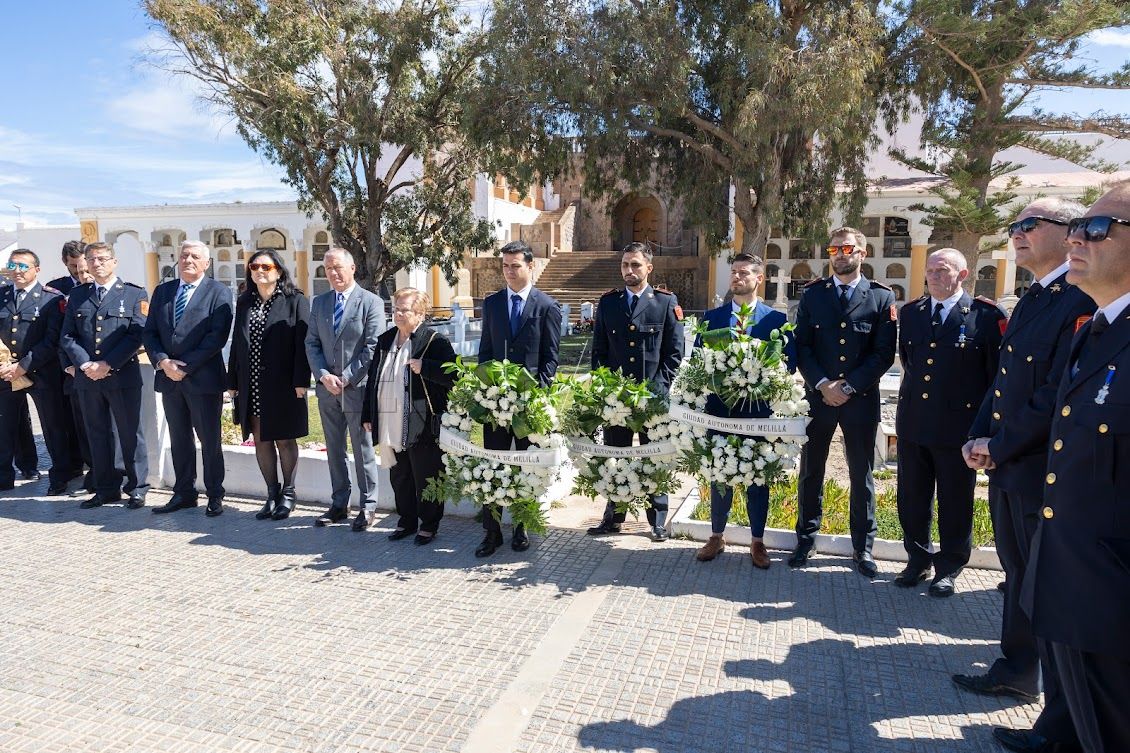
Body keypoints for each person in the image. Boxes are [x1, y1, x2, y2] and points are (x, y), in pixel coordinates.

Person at [953, 199, 1090, 753]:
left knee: (1047, 592)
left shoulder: (1078, 299)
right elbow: (1006, 381)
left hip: (1041, 471)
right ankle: (1015, 669)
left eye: (1029, 225)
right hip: (1011, 466)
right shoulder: (1038, 296)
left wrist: (1000, 443)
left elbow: (1056, 391)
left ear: (1067, 232)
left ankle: (1060, 722)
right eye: (1013, 226)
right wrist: (981, 433)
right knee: (1017, 572)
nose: (1018, 234)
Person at [1019, 183, 1130, 753]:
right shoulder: (1100, 330)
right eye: (1078, 225)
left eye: (1098, 228)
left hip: (1112, 592)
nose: (1077, 238)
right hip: (1078, 582)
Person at [893, 249, 1006, 597]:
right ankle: (917, 559)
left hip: (959, 428)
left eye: (943, 271)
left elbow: (995, 378)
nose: (934, 277)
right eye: (930, 271)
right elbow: (911, 363)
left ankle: (950, 566)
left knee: (956, 500)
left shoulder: (985, 316)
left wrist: (985, 430)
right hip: (914, 423)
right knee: (912, 497)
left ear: (962, 274)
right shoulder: (911, 313)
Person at [792, 226, 897, 577]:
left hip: (860, 400)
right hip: (819, 398)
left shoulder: (881, 298)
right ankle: (805, 540)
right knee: (811, 470)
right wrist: (823, 384)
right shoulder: (813, 295)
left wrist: (847, 387)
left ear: (862, 254)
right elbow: (802, 346)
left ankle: (862, 547)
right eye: (833, 248)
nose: (839, 254)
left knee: (861, 473)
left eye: (846, 248)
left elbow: (883, 354)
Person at [693, 254, 796, 568]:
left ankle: (757, 541)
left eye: (743, 273)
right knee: (719, 473)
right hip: (719, 412)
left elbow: (788, 366)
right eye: (733, 272)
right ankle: (716, 535)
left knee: (757, 477)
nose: (736, 277)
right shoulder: (712, 318)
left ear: (758, 279)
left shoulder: (775, 322)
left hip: (757, 414)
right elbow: (697, 362)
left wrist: (759, 373)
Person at [587, 242, 684, 541]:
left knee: (654, 458)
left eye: (636, 265)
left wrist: (656, 391)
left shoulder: (665, 303)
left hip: (653, 401)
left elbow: (674, 353)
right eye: (626, 264)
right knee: (616, 457)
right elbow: (599, 351)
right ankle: (614, 517)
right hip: (617, 402)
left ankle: (657, 520)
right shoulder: (609, 303)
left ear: (649, 268)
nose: (630, 270)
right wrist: (606, 389)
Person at [474, 240, 562, 557]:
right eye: (506, 266)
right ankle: (492, 532)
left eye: (516, 265)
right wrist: (487, 391)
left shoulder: (546, 306)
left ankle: (521, 527)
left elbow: (551, 359)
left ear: (530, 266)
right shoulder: (493, 303)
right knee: (494, 467)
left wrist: (536, 394)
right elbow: (485, 351)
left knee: (526, 467)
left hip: (529, 407)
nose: (510, 272)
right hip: (495, 405)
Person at [143, 240, 233, 516]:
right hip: (169, 379)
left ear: (207, 263)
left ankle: (215, 494)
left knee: (209, 440)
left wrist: (185, 366)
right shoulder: (163, 291)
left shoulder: (218, 292)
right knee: (179, 439)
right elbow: (150, 332)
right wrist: (163, 361)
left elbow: (216, 337)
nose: (188, 260)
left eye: (195, 256)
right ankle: (183, 493)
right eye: (184, 256)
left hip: (202, 379)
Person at [59, 243, 150, 509]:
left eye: (101, 258)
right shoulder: (77, 296)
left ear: (114, 262)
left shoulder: (134, 294)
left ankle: (137, 487)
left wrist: (108, 364)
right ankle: (106, 487)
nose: (96, 263)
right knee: (96, 433)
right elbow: (67, 335)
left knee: (130, 433)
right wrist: (86, 364)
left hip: (122, 375)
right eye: (91, 259)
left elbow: (137, 334)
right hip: (88, 378)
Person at [362, 287, 456, 543]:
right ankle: (406, 521)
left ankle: (429, 523)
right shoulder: (386, 339)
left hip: (422, 422)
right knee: (399, 474)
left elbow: (454, 375)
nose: (398, 314)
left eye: (405, 310)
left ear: (420, 314)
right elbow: (374, 379)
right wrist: (368, 414)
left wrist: (426, 367)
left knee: (426, 473)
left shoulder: (434, 341)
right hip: (389, 421)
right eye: (396, 309)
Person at [227, 249, 311, 521]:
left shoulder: (295, 300)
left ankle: (289, 492)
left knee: (285, 438)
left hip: (284, 383)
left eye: (266, 266)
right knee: (261, 438)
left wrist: (301, 380)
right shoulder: (244, 302)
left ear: (278, 270)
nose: (259, 271)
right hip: (251, 382)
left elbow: (303, 342)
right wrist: (232, 381)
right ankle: (271, 493)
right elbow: (237, 344)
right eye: (254, 267)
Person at [304, 247, 384, 528]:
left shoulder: (370, 302)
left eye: (338, 267)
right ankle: (339, 503)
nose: (333, 273)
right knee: (334, 448)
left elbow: (373, 347)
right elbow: (311, 343)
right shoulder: (320, 302)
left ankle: (368, 506)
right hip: (327, 390)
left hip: (356, 390)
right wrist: (324, 375)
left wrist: (347, 377)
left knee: (362, 450)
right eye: (328, 269)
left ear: (352, 268)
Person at [0, 249, 71, 493]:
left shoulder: (51, 299)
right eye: (13, 265)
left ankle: (60, 475)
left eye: (23, 266)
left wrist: (22, 366)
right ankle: (4, 478)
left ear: (36, 270)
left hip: (42, 373)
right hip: (6, 374)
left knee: (53, 426)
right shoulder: (1, 295)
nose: (17, 271)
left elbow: (52, 341)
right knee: (4, 426)